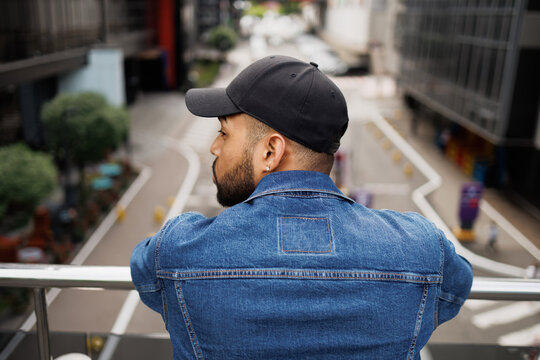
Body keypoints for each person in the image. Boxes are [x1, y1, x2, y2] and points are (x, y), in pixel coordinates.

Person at [130, 55, 473, 359]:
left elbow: (144, 270)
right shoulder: (421, 250)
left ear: (270, 151)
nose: (214, 147)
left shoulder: (182, 250)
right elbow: (457, 285)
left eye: (224, 132)